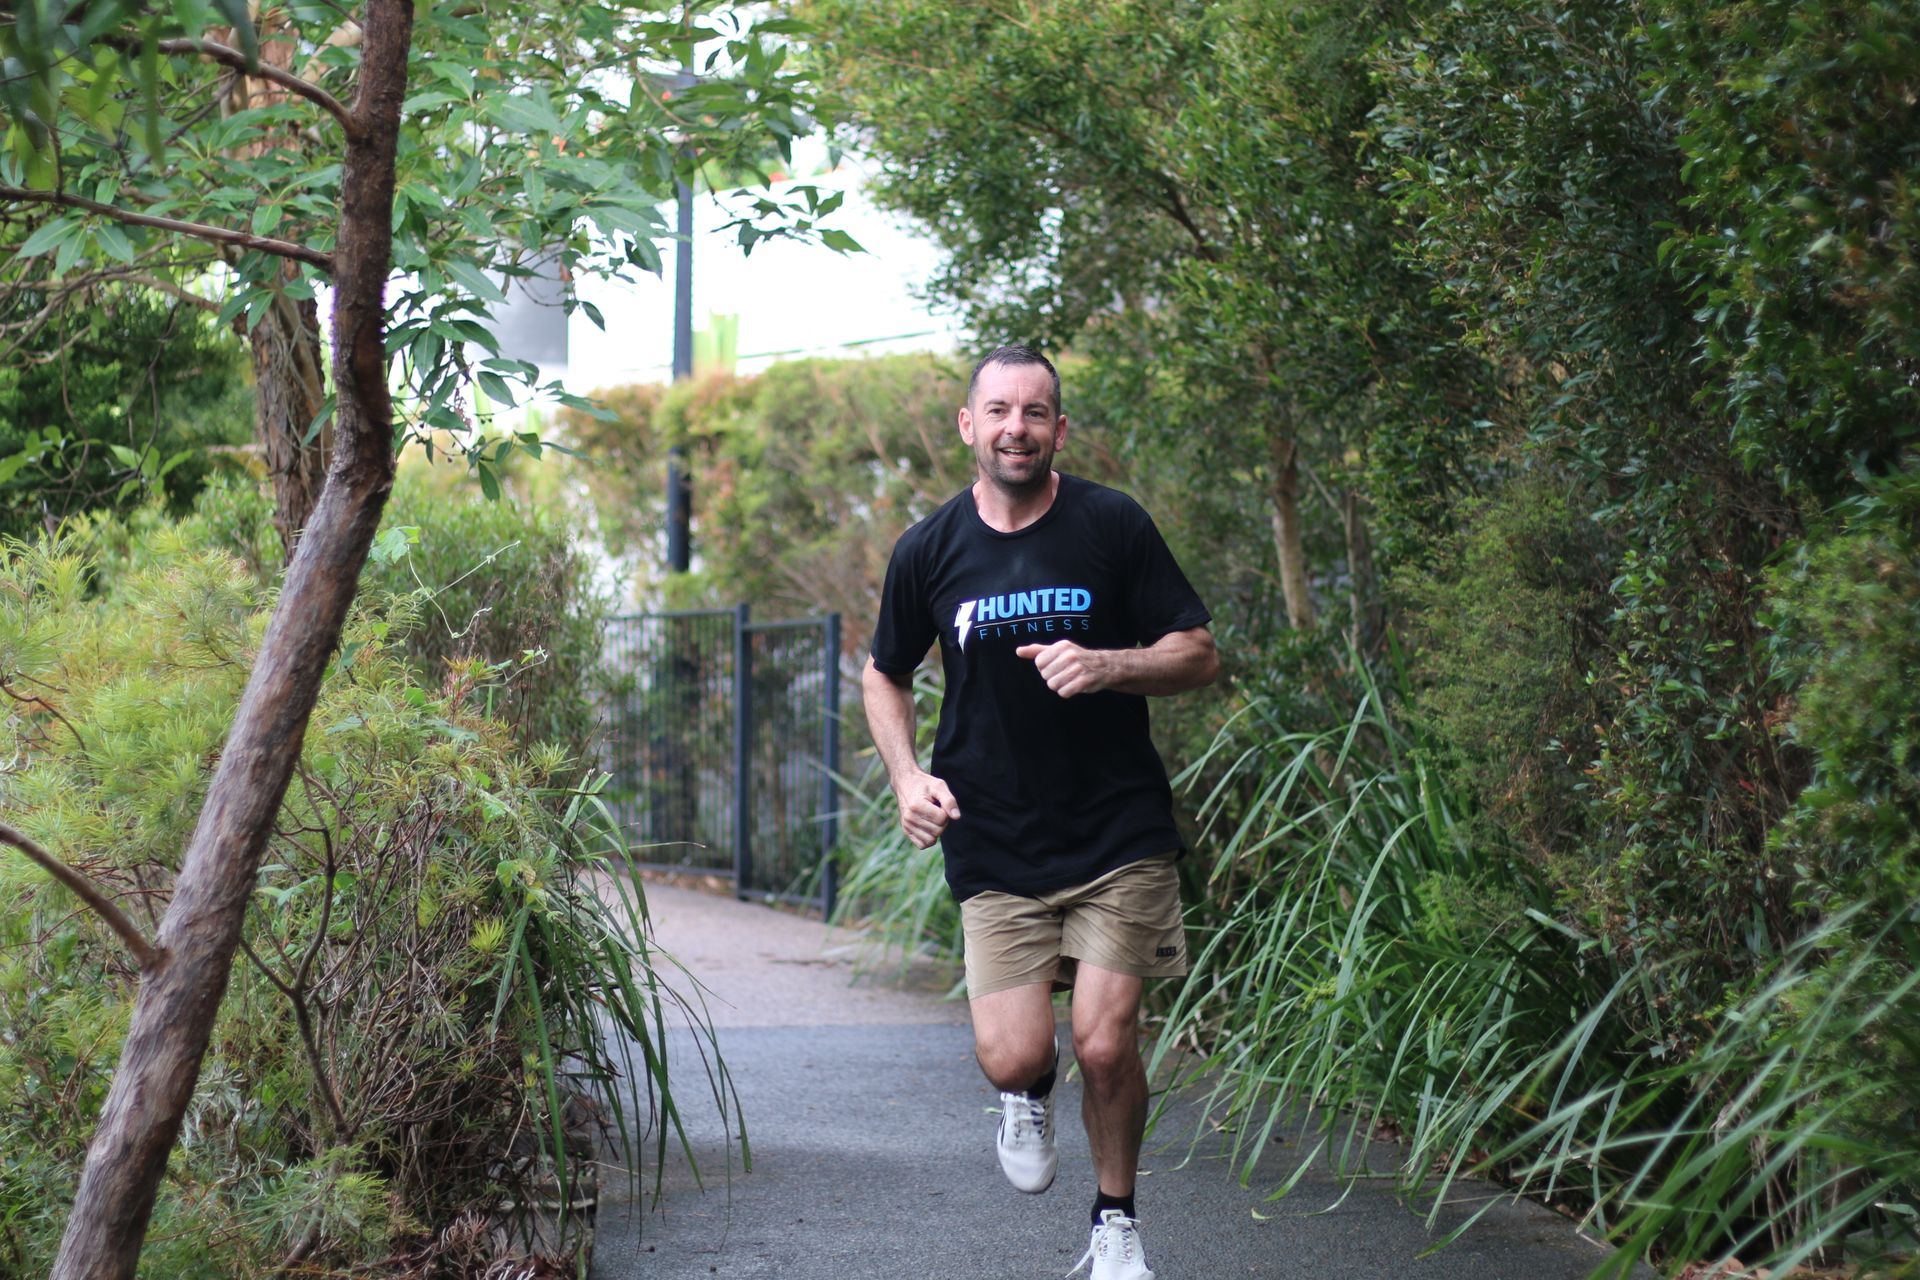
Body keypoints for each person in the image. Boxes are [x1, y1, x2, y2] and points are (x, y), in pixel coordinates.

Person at [863, 344, 1218, 1280]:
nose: (1016, 428)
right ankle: (1028, 1089)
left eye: (1035, 413)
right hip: (996, 834)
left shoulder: (1111, 525)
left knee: (1107, 1040)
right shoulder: (929, 549)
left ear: (1059, 430)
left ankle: (1116, 1224)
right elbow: (883, 674)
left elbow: (1197, 654)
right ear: (968, 426)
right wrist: (907, 778)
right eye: (999, 411)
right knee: (1012, 1054)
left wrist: (1110, 663)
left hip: (1117, 831)